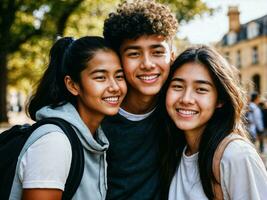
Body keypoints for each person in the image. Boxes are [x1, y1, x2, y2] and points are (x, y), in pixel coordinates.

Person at [9, 36, 127, 200]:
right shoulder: (54, 143)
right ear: (73, 85)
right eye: (100, 77)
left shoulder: (94, 138)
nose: (115, 87)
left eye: (119, 76)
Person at [164, 45, 267, 199]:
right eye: (177, 86)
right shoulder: (176, 150)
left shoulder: (236, 156)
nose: (186, 99)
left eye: (201, 89)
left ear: (220, 100)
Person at [102, 0, 178, 199]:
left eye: (157, 52)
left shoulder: (180, 113)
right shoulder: (96, 116)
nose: (147, 64)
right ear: (118, 59)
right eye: (134, 53)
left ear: (171, 55)